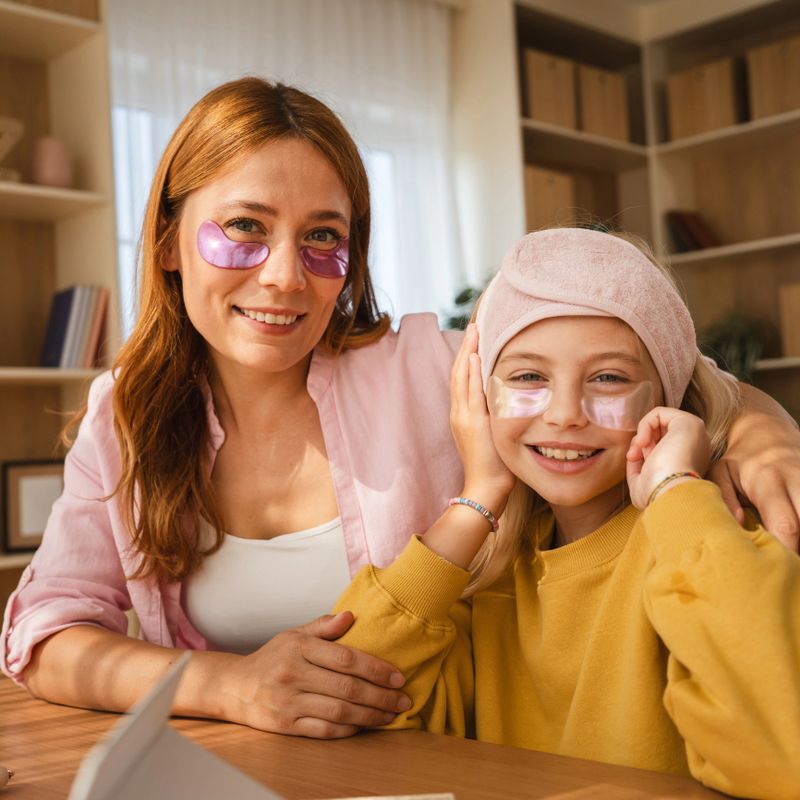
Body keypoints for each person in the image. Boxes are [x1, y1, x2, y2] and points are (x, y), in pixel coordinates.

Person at [1, 77, 799, 740]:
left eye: (323, 238)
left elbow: (658, 366)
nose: (285, 276)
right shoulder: (124, 416)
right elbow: (45, 635)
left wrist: (764, 437)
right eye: (245, 228)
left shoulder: (428, 365)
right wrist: (231, 686)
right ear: (170, 242)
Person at [332, 228, 800, 797]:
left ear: (666, 399)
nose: (565, 415)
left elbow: (782, 750)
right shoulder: (492, 576)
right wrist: (478, 496)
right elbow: (347, 697)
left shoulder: (708, 535)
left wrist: (675, 488)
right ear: (479, 399)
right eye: (529, 377)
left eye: (609, 378)